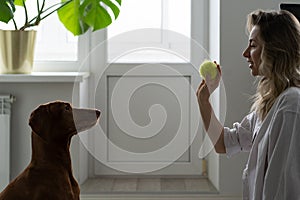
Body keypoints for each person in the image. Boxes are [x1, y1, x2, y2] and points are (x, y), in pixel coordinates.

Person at [196, 9, 300, 200]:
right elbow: (224, 144)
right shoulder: (269, 104)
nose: (245, 53)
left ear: (274, 50)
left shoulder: (291, 104)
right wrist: (203, 99)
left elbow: (282, 187)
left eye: (253, 45)